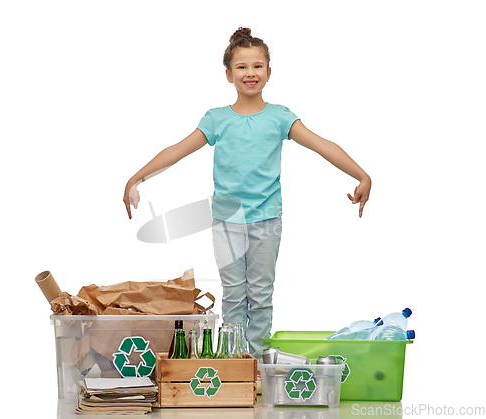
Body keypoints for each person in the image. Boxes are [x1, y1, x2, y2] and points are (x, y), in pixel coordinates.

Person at [123, 27, 371, 361]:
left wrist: (361, 175)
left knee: (260, 293)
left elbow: (322, 145)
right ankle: (234, 362)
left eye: (257, 66)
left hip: (267, 219)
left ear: (269, 72)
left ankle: (255, 363)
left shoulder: (280, 117)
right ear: (228, 74)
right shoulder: (217, 119)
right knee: (234, 295)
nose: (250, 73)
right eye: (241, 67)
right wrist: (137, 178)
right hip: (226, 219)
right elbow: (177, 150)